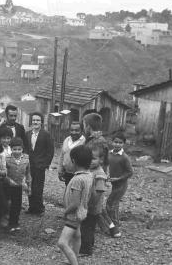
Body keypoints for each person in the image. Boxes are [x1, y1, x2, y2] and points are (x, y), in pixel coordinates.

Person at [57, 145, 94, 265]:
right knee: (77, 235)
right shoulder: (89, 175)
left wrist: (65, 212)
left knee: (62, 243)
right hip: (81, 213)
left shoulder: (77, 179)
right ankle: (75, 257)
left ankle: (73, 262)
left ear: (73, 161)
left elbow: (74, 203)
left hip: (73, 215)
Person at [80, 113, 109, 256]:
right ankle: (88, 245)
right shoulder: (96, 140)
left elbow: (100, 160)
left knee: (88, 223)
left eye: (84, 125)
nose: (83, 127)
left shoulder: (95, 142)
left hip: (93, 186)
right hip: (93, 177)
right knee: (89, 223)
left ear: (88, 126)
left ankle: (86, 249)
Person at [104, 132, 133, 238]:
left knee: (111, 205)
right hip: (114, 184)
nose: (117, 144)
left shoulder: (124, 157)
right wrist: (107, 175)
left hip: (121, 185)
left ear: (123, 144)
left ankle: (115, 227)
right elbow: (107, 166)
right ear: (112, 142)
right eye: (116, 142)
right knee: (111, 205)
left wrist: (119, 178)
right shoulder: (109, 154)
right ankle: (112, 225)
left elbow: (130, 172)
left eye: (120, 143)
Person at [26, 112, 54, 215]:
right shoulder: (27, 134)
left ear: (41, 122)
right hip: (29, 166)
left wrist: (45, 164)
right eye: (34, 120)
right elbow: (25, 149)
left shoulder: (46, 134)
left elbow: (50, 151)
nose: (35, 122)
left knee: (38, 187)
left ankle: (39, 208)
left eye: (38, 120)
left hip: (40, 166)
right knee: (30, 186)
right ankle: (31, 207)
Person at [5, 137, 31, 232]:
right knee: (8, 204)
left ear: (22, 149)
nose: (17, 151)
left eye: (19, 149)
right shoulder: (7, 159)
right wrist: (9, 181)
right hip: (9, 185)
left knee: (17, 204)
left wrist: (28, 184)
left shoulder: (26, 159)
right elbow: (4, 173)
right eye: (14, 149)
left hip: (19, 186)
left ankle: (15, 222)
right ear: (11, 149)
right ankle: (7, 222)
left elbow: (28, 173)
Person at [58, 122, 86, 186]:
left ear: (81, 131)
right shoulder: (67, 140)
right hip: (67, 173)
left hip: (78, 174)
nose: (74, 132)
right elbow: (62, 155)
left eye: (76, 130)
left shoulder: (84, 141)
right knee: (68, 189)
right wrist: (60, 170)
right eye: (72, 130)